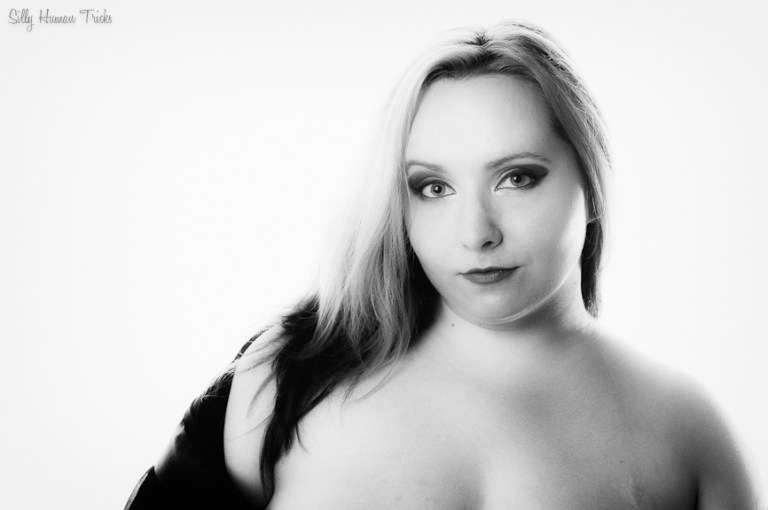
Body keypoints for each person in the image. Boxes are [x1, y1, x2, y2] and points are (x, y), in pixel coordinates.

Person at [125, 20, 760, 509]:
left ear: (591, 184)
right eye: (433, 187)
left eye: (517, 177)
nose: (475, 233)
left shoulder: (687, 432)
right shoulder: (287, 376)